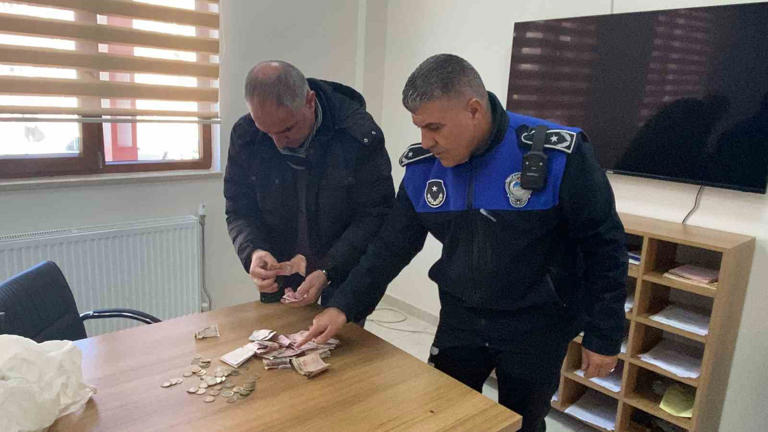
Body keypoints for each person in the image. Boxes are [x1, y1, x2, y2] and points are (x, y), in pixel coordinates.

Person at [299, 54, 627, 432]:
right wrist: (343, 306)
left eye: (435, 127)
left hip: (536, 325)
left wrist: (604, 335)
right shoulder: (424, 168)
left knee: (522, 423)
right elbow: (390, 247)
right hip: (462, 320)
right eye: (420, 127)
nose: (426, 142)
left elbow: (604, 247)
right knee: (447, 417)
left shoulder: (556, 155)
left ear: (473, 110)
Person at [224, 61, 395, 306]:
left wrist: (329, 269)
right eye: (267, 132)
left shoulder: (357, 134)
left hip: (344, 267)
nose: (278, 142)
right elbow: (239, 209)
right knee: (281, 330)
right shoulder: (247, 134)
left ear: (310, 101)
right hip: (281, 268)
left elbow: (375, 214)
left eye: (286, 129)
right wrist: (253, 251)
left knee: (340, 329)